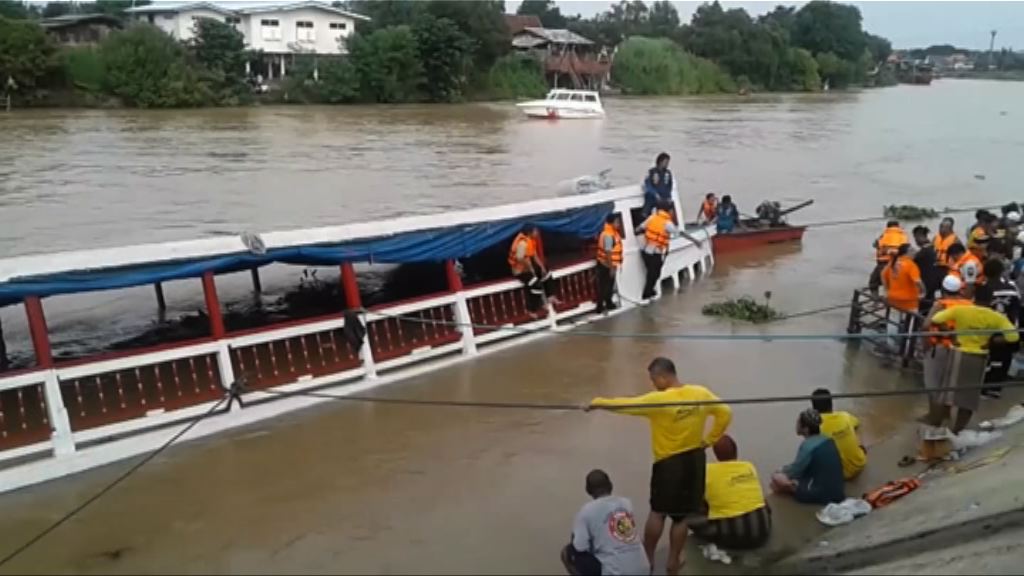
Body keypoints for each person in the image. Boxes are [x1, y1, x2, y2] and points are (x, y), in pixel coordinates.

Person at [587, 357, 732, 576]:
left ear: (663, 377)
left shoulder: (659, 400)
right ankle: (673, 562)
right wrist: (709, 440)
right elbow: (725, 413)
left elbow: (625, 405)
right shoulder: (700, 393)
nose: (653, 384)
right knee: (682, 517)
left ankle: (648, 558)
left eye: (653, 379)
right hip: (695, 459)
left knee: (658, 513)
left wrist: (597, 402)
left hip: (669, 463)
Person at [925, 299, 1020, 433]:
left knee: (946, 394)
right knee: (968, 400)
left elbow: (935, 319)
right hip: (978, 358)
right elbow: (1013, 337)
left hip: (958, 354)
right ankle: (957, 431)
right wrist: (992, 342)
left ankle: (937, 428)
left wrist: (951, 335)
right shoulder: (996, 317)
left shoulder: (961, 311)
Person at [561, 469, 650, 576]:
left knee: (568, 552)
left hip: (615, 572)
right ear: (611, 485)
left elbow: (580, 547)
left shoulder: (586, 511)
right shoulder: (626, 503)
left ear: (588, 490)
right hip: (643, 569)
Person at [690, 435, 771, 550]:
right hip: (763, 530)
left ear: (715, 455)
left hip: (733, 537)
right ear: (736, 452)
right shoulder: (749, 466)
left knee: (688, 510)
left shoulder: (707, 471)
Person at [922, 275, 973, 429]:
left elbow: (926, 325)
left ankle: (934, 418)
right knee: (950, 384)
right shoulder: (970, 305)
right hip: (961, 349)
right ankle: (945, 414)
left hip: (940, 347)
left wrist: (925, 345)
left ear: (943, 290)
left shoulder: (941, 304)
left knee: (934, 384)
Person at [770, 409, 845, 505]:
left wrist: (780, 471)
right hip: (838, 491)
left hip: (822, 495)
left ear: (806, 429)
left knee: (776, 479)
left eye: (798, 423)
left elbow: (795, 471)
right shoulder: (828, 439)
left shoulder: (807, 446)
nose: (796, 425)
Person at [635, 199, 704, 300]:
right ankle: (647, 294)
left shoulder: (652, 218)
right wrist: (695, 241)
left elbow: (638, 228)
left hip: (646, 252)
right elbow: (681, 233)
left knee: (651, 273)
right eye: (672, 210)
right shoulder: (667, 223)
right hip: (656, 253)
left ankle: (649, 291)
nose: (672, 212)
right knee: (654, 274)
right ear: (668, 211)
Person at [974, 258, 1021, 398]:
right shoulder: (1012, 287)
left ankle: (983, 389)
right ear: (1001, 271)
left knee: (987, 361)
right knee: (1003, 360)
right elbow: (1017, 311)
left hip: (989, 331)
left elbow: (979, 312)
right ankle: (995, 390)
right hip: (1009, 330)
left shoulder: (983, 288)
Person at [811, 388, 866, 480]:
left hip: (840, 475)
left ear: (814, 408)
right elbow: (857, 423)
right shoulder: (845, 416)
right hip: (860, 463)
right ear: (831, 404)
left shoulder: (816, 426)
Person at [508, 224, 557, 313]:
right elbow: (520, 258)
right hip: (520, 271)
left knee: (546, 273)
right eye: (535, 231)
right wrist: (530, 268)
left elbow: (534, 256)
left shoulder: (530, 241)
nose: (537, 233)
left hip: (529, 268)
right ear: (530, 232)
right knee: (536, 284)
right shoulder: (522, 243)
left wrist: (542, 267)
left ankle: (551, 296)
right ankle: (532, 309)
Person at [595, 214, 623, 314]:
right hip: (605, 265)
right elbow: (608, 252)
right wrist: (611, 268)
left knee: (609, 285)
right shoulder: (608, 235)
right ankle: (600, 307)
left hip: (608, 264)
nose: (619, 224)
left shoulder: (612, 233)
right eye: (617, 222)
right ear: (611, 223)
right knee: (604, 286)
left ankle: (608, 303)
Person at [869, 220, 908, 293]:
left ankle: (877, 302)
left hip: (884, 263)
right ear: (898, 226)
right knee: (894, 284)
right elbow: (905, 249)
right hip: (900, 265)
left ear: (887, 227)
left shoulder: (884, 235)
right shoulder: (903, 236)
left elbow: (875, 245)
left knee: (873, 283)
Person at [913, 226, 943, 313]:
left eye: (915, 238)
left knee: (923, 308)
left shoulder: (924, 252)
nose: (915, 241)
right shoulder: (932, 248)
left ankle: (922, 323)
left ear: (920, 236)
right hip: (933, 282)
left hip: (926, 284)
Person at [642, 152, 674, 217]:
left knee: (670, 207)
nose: (667, 164)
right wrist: (655, 194)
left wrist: (669, 196)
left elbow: (669, 186)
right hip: (653, 197)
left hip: (664, 198)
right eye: (666, 162)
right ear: (660, 162)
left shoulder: (668, 173)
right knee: (649, 199)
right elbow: (647, 185)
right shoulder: (651, 171)